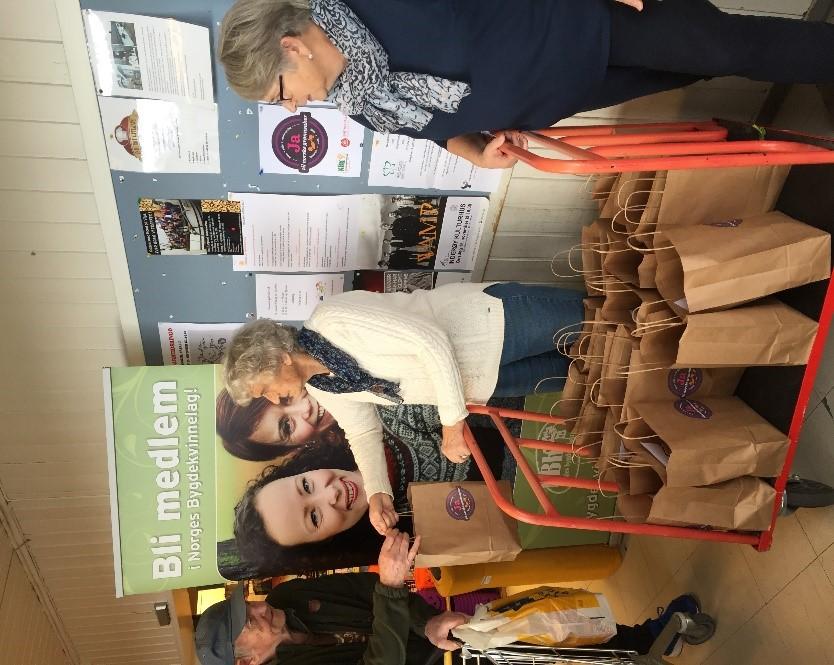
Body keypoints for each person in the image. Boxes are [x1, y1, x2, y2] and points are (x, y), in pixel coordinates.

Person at [219, 0, 834, 169]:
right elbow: (433, 130)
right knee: (707, 61)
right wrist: (473, 152)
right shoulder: (357, 101)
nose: (292, 108)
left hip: (584, 21)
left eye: (280, 93)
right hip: (571, 89)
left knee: (731, 46)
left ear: (291, 47)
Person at [222, 281, 582, 534]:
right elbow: (362, 430)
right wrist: (378, 491)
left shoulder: (332, 321)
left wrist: (452, 425)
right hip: (489, 381)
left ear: (280, 358)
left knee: (600, 323)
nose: (274, 398)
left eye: (265, 390)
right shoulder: (321, 384)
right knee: (590, 374)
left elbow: (431, 341)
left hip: (498, 324)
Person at [197, 530, 703, 664]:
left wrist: (426, 621)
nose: (259, 609)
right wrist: (392, 592)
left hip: (435, 641)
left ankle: (644, 636)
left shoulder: (293, 595)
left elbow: (368, 593)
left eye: (248, 605)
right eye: (248, 622)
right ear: (247, 660)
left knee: (529, 625)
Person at [230, 421, 506, 575]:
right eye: (314, 517)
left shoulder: (367, 422)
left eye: (306, 485)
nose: (331, 493)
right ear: (323, 541)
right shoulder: (405, 542)